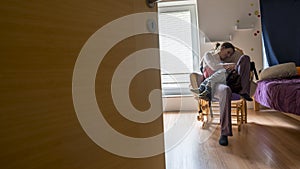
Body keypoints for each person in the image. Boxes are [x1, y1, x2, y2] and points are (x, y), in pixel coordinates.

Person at [191, 42, 253, 146]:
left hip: (230, 81)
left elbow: (236, 65)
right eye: (228, 52)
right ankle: (224, 133)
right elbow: (214, 66)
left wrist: (234, 66)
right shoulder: (209, 55)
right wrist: (229, 65)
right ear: (222, 48)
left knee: (245, 58)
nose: (228, 56)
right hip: (216, 86)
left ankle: (244, 91)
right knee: (225, 90)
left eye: (230, 54)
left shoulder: (226, 61)